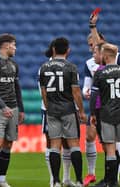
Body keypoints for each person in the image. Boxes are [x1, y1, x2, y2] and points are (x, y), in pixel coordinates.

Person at [39, 37, 87, 187]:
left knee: (54, 145)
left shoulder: (44, 67)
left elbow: (44, 92)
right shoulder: (71, 67)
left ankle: (56, 181)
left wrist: (48, 107)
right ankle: (79, 180)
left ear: (53, 49)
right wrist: (81, 110)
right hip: (68, 109)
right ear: (68, 50)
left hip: (52, 110)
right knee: (74, 144)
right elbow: (76, 91)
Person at [0, 33, 25, 187]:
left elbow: (17, 88)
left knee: (8, 145)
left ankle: (2, 180)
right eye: (14, 45)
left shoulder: (14, 65)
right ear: (6, 45)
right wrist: (3, 106)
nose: (15, 48)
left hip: (13, 109)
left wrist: (20, 109)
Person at [41, 41, 75, 187]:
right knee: (52, 143)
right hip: (53, 109)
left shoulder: (63, 66)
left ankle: (66, 178)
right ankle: (53, 179)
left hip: (56, 108)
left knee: (66, 143)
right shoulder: (47, 67)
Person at [90, 43, 120, 187]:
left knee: (110, 149)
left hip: (107, 114)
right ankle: (112, 181)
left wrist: (93, 113)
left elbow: (94, 96)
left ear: (106, 56)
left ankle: (112, 182)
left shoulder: (100, 73)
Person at [82, 33, 105, 187]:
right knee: (90, 136)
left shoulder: (116, 58)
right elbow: (86, 86)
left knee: (111, 142)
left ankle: (113, 176)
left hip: (113, 105)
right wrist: (86, 92)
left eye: (93, 45)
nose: (91, 48)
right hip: (97, 105)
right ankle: (91, 173)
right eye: (89, 45)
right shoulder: (89, 63)